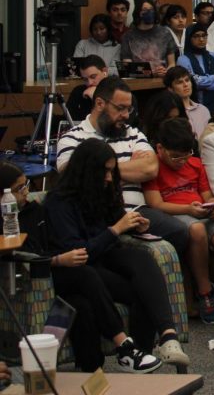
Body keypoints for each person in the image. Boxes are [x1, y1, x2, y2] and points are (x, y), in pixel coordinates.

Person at [0, 162, 164, 373]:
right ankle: (123, 345)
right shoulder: (8, 218)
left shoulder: (34, 210)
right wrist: (59, 260)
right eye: (19, 189)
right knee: (85, 275)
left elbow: (53, 241)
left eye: (26, 186)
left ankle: (93, 373)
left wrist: (63, 256)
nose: (26, 192)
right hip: (34, 276)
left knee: (81, 305)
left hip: (60, 268)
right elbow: (23, 255)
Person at [44, 140, 191, 370]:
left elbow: (114, 222)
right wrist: (116, 229)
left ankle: (166, 337)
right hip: (80, 268)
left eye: (112, 171)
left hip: (104, 257)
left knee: (143, 263)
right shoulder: (59, 202)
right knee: (116, 289)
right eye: (105, 171)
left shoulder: (102, 190)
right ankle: (131, 352)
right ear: (87, 172)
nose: (109, 178)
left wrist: (134, 225)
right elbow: (79, 255)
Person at [56, 77, 189, 259]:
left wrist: (102, 169)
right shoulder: (71, 138)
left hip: (138, 210)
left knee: (181, 231)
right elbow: (73, 176)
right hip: (96, 214)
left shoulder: (132, 133)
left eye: (129, 109)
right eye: (120, 108)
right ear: (100, 103)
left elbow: (151, 168)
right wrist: (128, 168)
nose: (126, 115)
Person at [144, 118, 214, 324]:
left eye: (186, 155)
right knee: (196, 231)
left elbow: (207, 194)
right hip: (175, 212)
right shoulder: (153, 167)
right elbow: (156, 204)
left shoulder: (195, 163)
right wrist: (188, 209)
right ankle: (204, 291)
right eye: (176, 157)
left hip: (200, 209)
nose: (182, 161)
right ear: (160, 148)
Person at [178, 23, 214, 113]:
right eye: (196, 36)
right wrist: (213, 78)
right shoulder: (183, 59)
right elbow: (192, 81)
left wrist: (203, 85)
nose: (201, 39)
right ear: (189, 38)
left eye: (204, 36)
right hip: (195, 107)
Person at [120, 0, 177, 75]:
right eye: (145, 10)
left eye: (151, 9)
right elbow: (127, 67)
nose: (149, 12)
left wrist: (166, 71)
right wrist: (149, 72)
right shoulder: (128, 36)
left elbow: (172, 64)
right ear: (138, 12)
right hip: (138, 81)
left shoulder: (165, 33)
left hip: (162, 79)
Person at [163, 66, 211, 138]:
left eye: (187, 80)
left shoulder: (203, 110)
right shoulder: (172, 113)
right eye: (179, 82)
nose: (185, 85)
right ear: (170, 89)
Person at [66, 55, 112, 119]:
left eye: (93, 77)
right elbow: (68, 120)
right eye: (85, 79)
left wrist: (95, 97)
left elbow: (113, 120)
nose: (89, 83)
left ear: (105, 71)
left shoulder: (116, 91)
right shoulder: (78, 92)